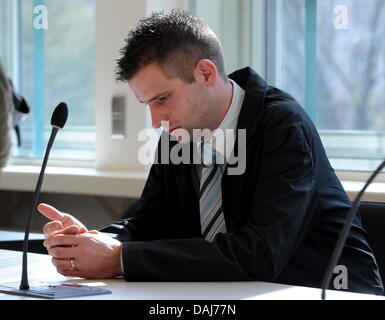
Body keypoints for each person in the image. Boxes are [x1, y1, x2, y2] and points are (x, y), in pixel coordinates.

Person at [39, 10, 384, 295]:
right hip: (233, 294)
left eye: (162, 99)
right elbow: (151, 223)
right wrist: (97, 241)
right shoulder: (179, 132)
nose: (157, 120)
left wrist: (119, 258)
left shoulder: (281, 126)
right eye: (147, 104)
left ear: (205, 73)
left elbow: (259, 254)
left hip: (328, 290)